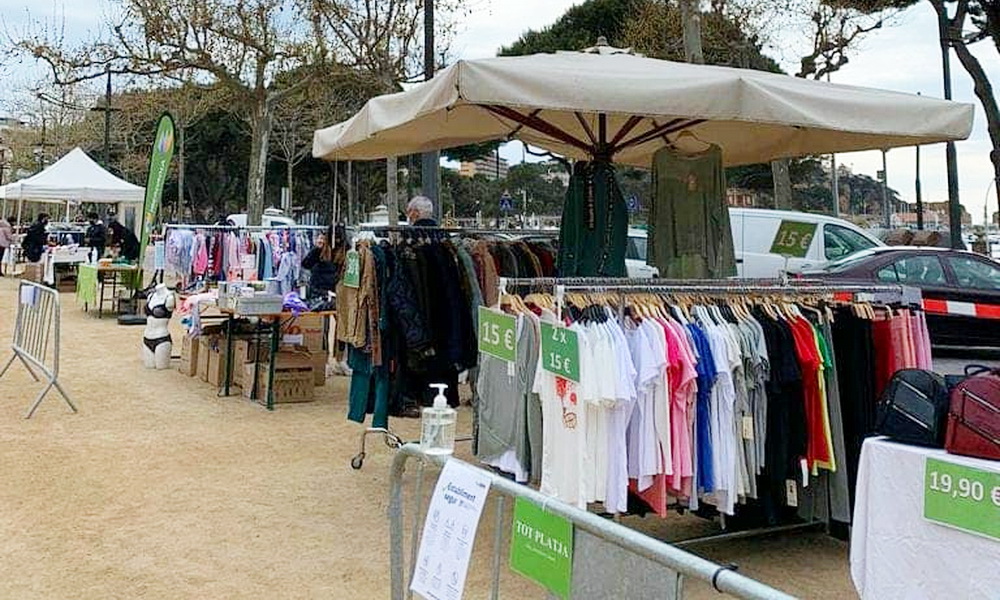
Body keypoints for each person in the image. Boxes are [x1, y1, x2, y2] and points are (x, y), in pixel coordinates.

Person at [302, 229, 345, 300]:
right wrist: (317, 249)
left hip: (330, 291)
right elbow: (306, 264)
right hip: (319, 291)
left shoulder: (339, 252)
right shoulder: (318, 252)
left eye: (323, 239)